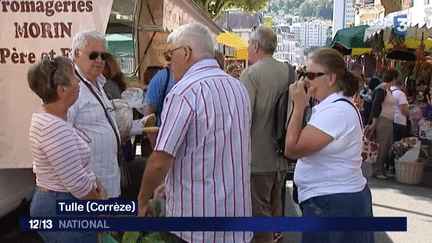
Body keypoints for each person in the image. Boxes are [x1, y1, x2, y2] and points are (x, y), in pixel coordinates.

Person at [137, 23, 253, 243]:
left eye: (170, 56)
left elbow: (161, 159)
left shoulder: (184, 92)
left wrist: (143, 199)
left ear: (186, 52)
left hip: (194, 226)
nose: (169, 64)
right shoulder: (238, 88)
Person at [284, 48, 374, 243]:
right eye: (303, 74)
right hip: (334, 200)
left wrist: (299, 106)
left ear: (331, 78)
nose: (305, 81)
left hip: (332, 203)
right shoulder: (336, 107)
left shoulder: (336, 112)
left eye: (310, 75)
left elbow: (292, 149)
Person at [28, 57, 105, 243]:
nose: (78, 81)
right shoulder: (54, 127)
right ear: (61, 90)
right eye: (73, 77)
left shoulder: (52, 118)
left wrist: (97, 186)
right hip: (62, 205)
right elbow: (76, 182)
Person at [240, 25, 294, 243]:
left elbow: (245, 116)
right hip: (282, 154)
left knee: (258, 211)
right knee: (275, 206)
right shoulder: (289, 71)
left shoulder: (251, 74)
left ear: (255, 45)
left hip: (257, 156)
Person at [68, 30, 121, 199]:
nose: (99, 60)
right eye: (93, 55)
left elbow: (104, 124)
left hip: (109, 177)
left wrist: (139, 126)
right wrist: (90, 185)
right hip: (91, 186)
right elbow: (64, 137)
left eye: (103, 56)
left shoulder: (98, 83)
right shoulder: (72, 87)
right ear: (76, 54)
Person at [369, 69, 399, 179]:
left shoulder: (388, 90)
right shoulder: (381, 90)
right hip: (383, 119)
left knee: (386, 145)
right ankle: (376, 170)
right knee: (380, 145)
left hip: (389, 119)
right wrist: (374, 122)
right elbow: (376, 106)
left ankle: (382, 168)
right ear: (394, 79)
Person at [388, 75, 411, 174]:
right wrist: (410, 115)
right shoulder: (400, 94)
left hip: (390, 119)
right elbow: (404, 110)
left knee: (391, 143)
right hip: (399, 122)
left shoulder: (388, 91)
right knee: (398, 145)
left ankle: (388, 165)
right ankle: (394, 166)